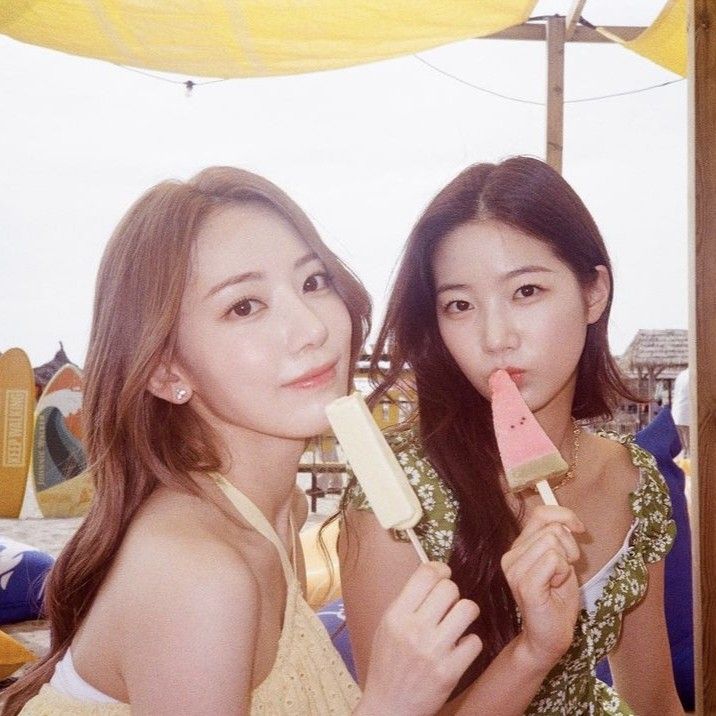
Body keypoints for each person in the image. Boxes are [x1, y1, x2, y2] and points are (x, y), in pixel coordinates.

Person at [2, 167, 481, 715]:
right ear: (166, 371)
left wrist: (537, 649)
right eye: (244, 306)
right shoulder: (198, 575)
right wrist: (391, 705)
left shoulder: (278, 512)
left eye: (312, 282)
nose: (312, 328)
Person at [340, 157, 685, 715]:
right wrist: (532, 652)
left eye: (526, 291)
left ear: (593, 292)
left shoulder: (632, 479)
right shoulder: (393, 503)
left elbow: (653, 700)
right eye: (460, 305)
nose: (495, 337)